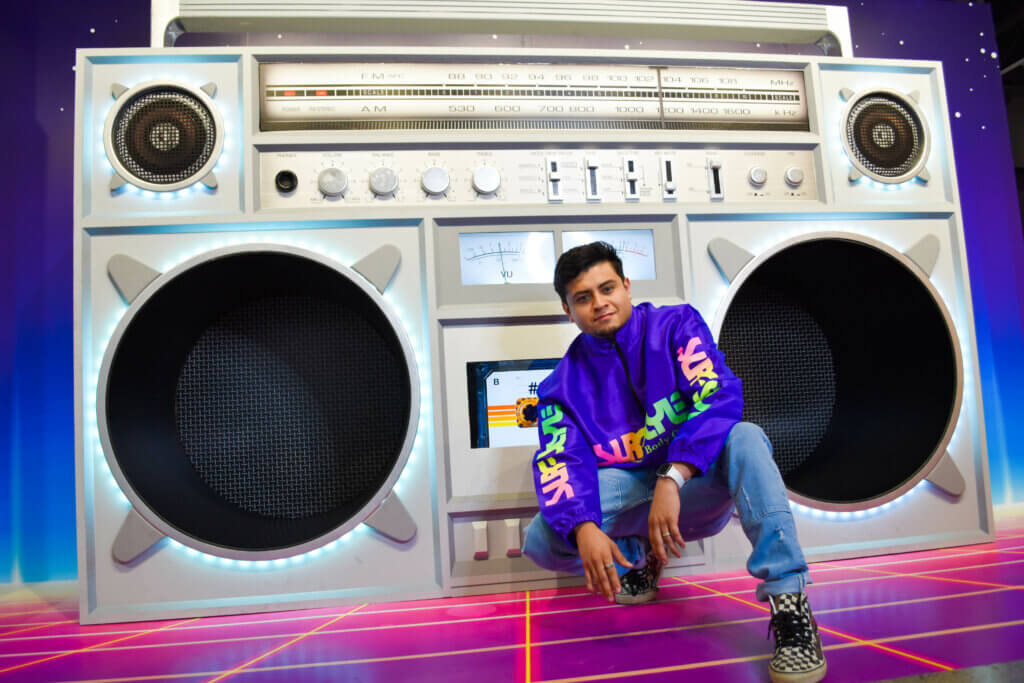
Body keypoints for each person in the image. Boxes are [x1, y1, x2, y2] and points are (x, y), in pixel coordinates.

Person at [522, 241, 826, 683]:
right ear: (568, 310)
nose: (599, 303)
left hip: (693, 487)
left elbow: (717, 395)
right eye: (583, 297)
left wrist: (673, 475)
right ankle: (636, 555)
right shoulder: (558, 387)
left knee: (746, 437)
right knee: (542, 539)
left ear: (627, 286)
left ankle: (790, 603)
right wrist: (584, 528)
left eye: (607, 288)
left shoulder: (676, 326)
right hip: (633, 490)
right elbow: (561, 463)